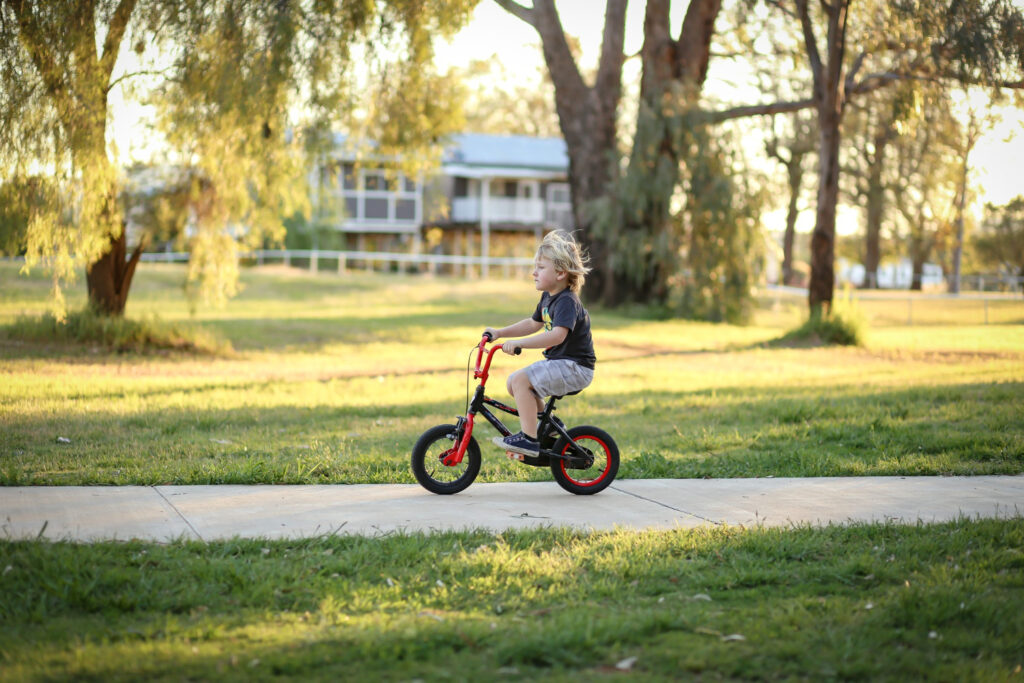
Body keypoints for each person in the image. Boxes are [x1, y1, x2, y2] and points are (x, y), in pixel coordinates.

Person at [484, 231, 595, 456]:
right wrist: (499, 333)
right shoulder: (547, 297)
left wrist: (520, 344)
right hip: (563, 364)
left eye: (541, 267)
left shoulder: (566, 300)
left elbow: (557, 336)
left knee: (522, 380)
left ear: (561, 273)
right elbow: (533, 324)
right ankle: (550, 427)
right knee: (514, 382)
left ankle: (529, 439)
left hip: (576, 367)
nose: (534, 272)